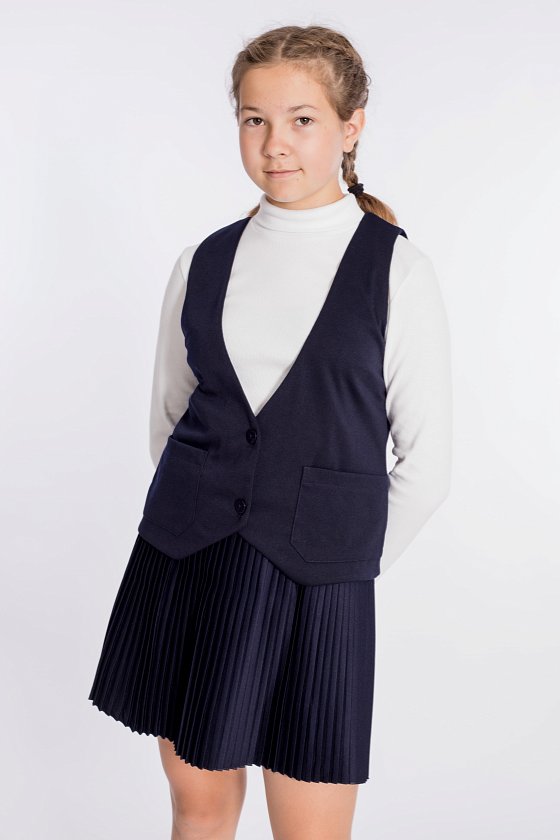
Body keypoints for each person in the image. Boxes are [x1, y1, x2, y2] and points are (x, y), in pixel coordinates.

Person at [88, 23, 452, 840]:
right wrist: (210, 516)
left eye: (302, 120)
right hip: (189, 562)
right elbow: (171, 420)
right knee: (198, 808)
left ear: (351, 127)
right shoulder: (203, 261)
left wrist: (337, 563)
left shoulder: (396, 269)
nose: (274, 143)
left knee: (311, 829)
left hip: (320, 588)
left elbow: (427, 464)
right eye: (254, 120)